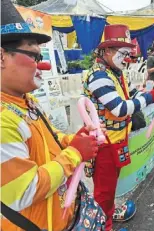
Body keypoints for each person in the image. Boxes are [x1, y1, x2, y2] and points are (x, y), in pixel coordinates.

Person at [0, 0, 100, 230]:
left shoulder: (26, 101)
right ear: (1, 57)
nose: (41, 65)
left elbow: (49, 137)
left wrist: (74, 139)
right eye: (34, 56)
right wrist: (75, 153)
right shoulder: (3, 119)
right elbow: (24, 191)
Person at [83, 24, 154, 231]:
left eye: (129, 53)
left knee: (110, 190)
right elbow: (120, 108)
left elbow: (132, 96)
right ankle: (104, 227)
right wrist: (150, 98)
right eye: (123, 53)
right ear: (107, 51)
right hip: (104, 145)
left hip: (117, 141)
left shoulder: (116, 73)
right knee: (103, 194)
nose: (127, 58)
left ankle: (108, 223)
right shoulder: (98, 76)